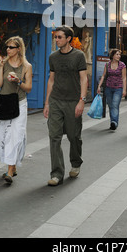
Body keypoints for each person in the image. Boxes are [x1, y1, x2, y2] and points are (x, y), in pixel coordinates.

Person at [43, 26, 87, 186]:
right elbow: (51, 80)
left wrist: (81, 100)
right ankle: (56, 173)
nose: (56, 40)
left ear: (68, 38)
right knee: (54, 137)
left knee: (73, 136)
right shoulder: (53, 57)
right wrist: (47, 102)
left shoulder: (79, 56)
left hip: (73, 101)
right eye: (55, 37)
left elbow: (83, 79)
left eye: (59, 37)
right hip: (55, 101)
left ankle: (76, 163)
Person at [0, 36, 33, 184]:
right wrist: (0, 67)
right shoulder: (5, 63)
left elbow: (28, 88)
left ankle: (9, 171)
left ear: (19, 49)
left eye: (11, 47)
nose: (8, 50)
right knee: (4, 136)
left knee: (15, 136)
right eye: (7, 47)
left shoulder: (26, 66)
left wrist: (18, 81)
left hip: (19, 103)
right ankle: (12, 168)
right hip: (4, 103)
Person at [97, 49, 126, 130]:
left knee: (115, 105)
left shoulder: (122, 65)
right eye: (117, 54)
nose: (119, 56)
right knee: (110, 106)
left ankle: (114, 122)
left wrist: (124, 89)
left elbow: (124, 78)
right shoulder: (107, 65)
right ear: (112, 55)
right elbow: (103, 76)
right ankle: (112, 122)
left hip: (118, 88)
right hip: (108, 87)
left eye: (119, 54)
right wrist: (99, 86)